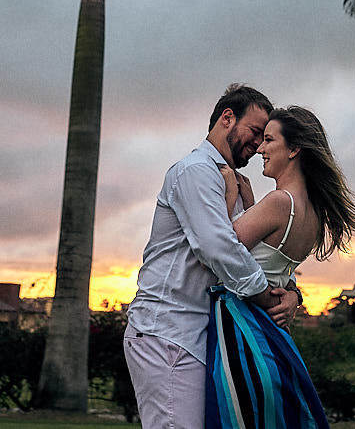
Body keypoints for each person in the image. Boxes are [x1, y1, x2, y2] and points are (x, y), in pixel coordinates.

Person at [124, 84, 302, 429]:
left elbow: (256, 255)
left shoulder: (235, 183)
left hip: (204, 337)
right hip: (169, 331)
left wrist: (292, 292)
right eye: (254, 132)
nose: (259, 144)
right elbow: (217, 248)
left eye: (266, 138)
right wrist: (269, 297)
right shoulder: (196, 171)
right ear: (226, 118)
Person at [208, 106, 355, 429]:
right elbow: (271, 261)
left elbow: (220, 246)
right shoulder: (312, 214)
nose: (261, 149)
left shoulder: (280, 203)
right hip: (276, 336)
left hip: (243, 329)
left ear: (294, 149)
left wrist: (229, 195)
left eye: (269, 140)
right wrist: (294, 294)